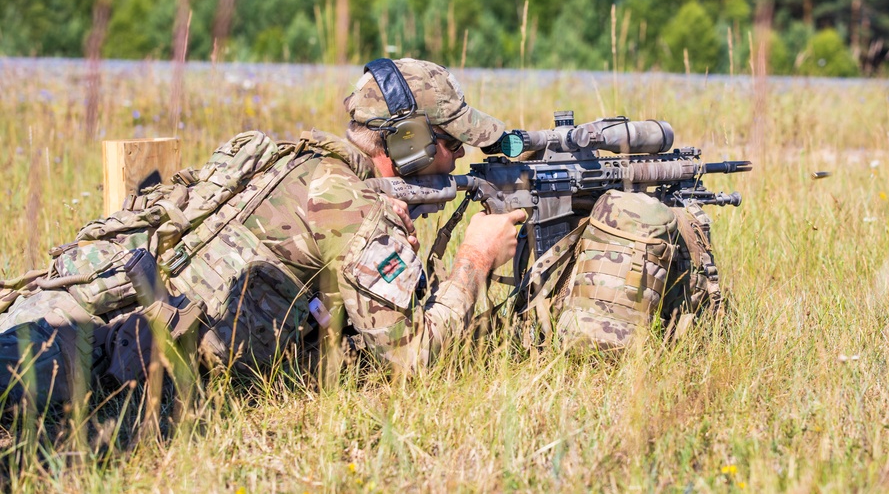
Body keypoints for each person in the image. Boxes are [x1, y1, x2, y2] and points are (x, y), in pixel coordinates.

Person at [0, 58, 525, 405]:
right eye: (451, 144)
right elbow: (411, 359)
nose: (457, 157)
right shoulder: (354, 209)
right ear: (409, 142)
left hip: (63, 302)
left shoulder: (281, 159)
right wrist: (475, 260)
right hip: (93, 359)